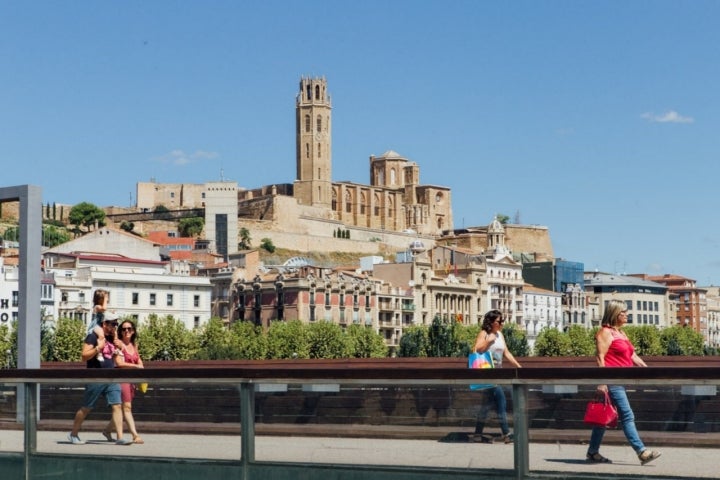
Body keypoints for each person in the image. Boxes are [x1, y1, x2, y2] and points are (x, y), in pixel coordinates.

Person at [586, 299, 661, 465]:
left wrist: (648, 370)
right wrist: (603, 382)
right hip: (612, 380)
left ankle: (592, 452)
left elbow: (632, 356)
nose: (627, 315)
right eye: (623, 312)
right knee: (627, 415)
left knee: (603, 418)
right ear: (614, 314)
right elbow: (600, 357)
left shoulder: (620, 333)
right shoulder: (604, 332)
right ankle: (642, 452)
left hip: (620, 379)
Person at [68, 311, 133, 446]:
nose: (115, 327)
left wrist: (116, 351)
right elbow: (84, 356)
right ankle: (73, 434)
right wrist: (98, 348)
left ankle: (120, 437)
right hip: (95, 377)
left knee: (117, 405)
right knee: (86, 407)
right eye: (113, 324)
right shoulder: (93, 337)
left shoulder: (110, 338)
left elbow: (113, 354)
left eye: (116, 324)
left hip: (111, 377)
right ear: (104, 324)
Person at [471, 309, 522, 443]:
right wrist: (488, 341)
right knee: (501, 400)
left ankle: (477, 434)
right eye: (499, 321)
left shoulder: (500, 335)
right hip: (486, 374)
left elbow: (506, 353)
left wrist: (518, 366)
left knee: (486, 405)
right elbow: (477, 349)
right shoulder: (484, 333)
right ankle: (506, 433)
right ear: (492, 322)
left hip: (497, 374)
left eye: (502, 321)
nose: (502, 323)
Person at [103, 319, 145, 444]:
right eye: (124, 329)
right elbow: (119, 363)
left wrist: (141, 367)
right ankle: (135, 435)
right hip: (121, 379)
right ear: (120, 331)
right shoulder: (118, 344)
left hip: (131, 381)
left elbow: (139, 360)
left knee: (122, 409)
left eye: (129, 329)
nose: (127, 331)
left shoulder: (134, 345)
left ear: (133, 331)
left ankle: (107, 430)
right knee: (127, 407)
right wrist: (136, 367)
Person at [88, 289, 109, 362]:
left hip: (101, 325)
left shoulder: (100, 307)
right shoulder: (96, 307)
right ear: (99, 299)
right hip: (95, 325)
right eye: (104, 298)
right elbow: (104, 309)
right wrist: (106, 299)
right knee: (101, 336)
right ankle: (99, 353)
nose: (106, 300)